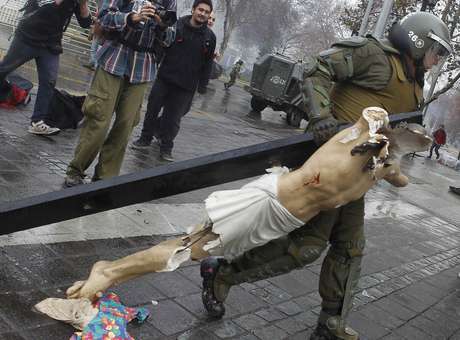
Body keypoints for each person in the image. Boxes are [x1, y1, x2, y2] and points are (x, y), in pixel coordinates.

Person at [200, 12, 452, 340]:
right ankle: (221, 273)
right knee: (307, 245)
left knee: (349, 248)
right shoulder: (375, 55)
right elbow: (316, 68)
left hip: (357, 179)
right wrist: (320, 117)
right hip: (328, 170)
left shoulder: (413, 80)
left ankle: (331, 323)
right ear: (417, 42)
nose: (437, 60)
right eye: (436, 51)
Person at [64, 107, 432, 304]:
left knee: (192, 250)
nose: (411, 141)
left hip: (280, 221)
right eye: (409, 134)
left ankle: (110, 271)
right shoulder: (358, 136)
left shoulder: (379, 171)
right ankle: (108, 271)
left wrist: (392, 161)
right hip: (267, 201)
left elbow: (402, 179)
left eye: (418, 143)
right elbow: (371, 113)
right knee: (187, 250)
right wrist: (378, 131)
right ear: (394, 128)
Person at [64, 0, 177, 187]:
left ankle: (105, 178)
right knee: (98, 119)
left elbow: (170, 39)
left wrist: (162, 26)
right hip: (113, 59)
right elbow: (104, 17)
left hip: (143, 69)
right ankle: (76, 170)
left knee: (125, 126)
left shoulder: (169, 2)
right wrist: (132, 17)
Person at [132, 0, 216, 162]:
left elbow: (208, 63)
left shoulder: (209, 38)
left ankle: (166, 148)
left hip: (186, 86)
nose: (203, 14)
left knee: (173, 119)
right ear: (193, 10)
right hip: (165, 78)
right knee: (152, 110)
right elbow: (162, 44)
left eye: (206, 12)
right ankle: (144, 139)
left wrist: (203, 85)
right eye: (200, 10)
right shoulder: (177, 26)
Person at [0, 0, 92, 135]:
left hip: (51, 43)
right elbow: (43, 6)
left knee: (49, 81)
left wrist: (83, 4)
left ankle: (37, 121)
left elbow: (85, 23)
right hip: (27, 37)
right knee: (4, 69)